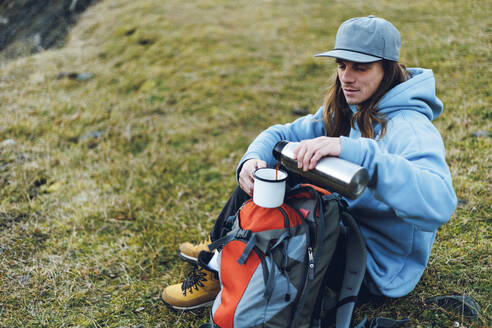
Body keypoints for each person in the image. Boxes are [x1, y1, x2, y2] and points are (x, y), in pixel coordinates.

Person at [161, 15, 457, 311]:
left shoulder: (411, 127)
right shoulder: (350, 108)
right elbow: (282, 134)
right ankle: (223, 248)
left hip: (374, 264)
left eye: (361, 67)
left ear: (388, 70)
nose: (347, 77)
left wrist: (357, 153)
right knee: (267, 174)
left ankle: (222, 264)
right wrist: (251, 160)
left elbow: (440, 202)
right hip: (338, 227)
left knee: (289, 193)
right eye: (342, 65)